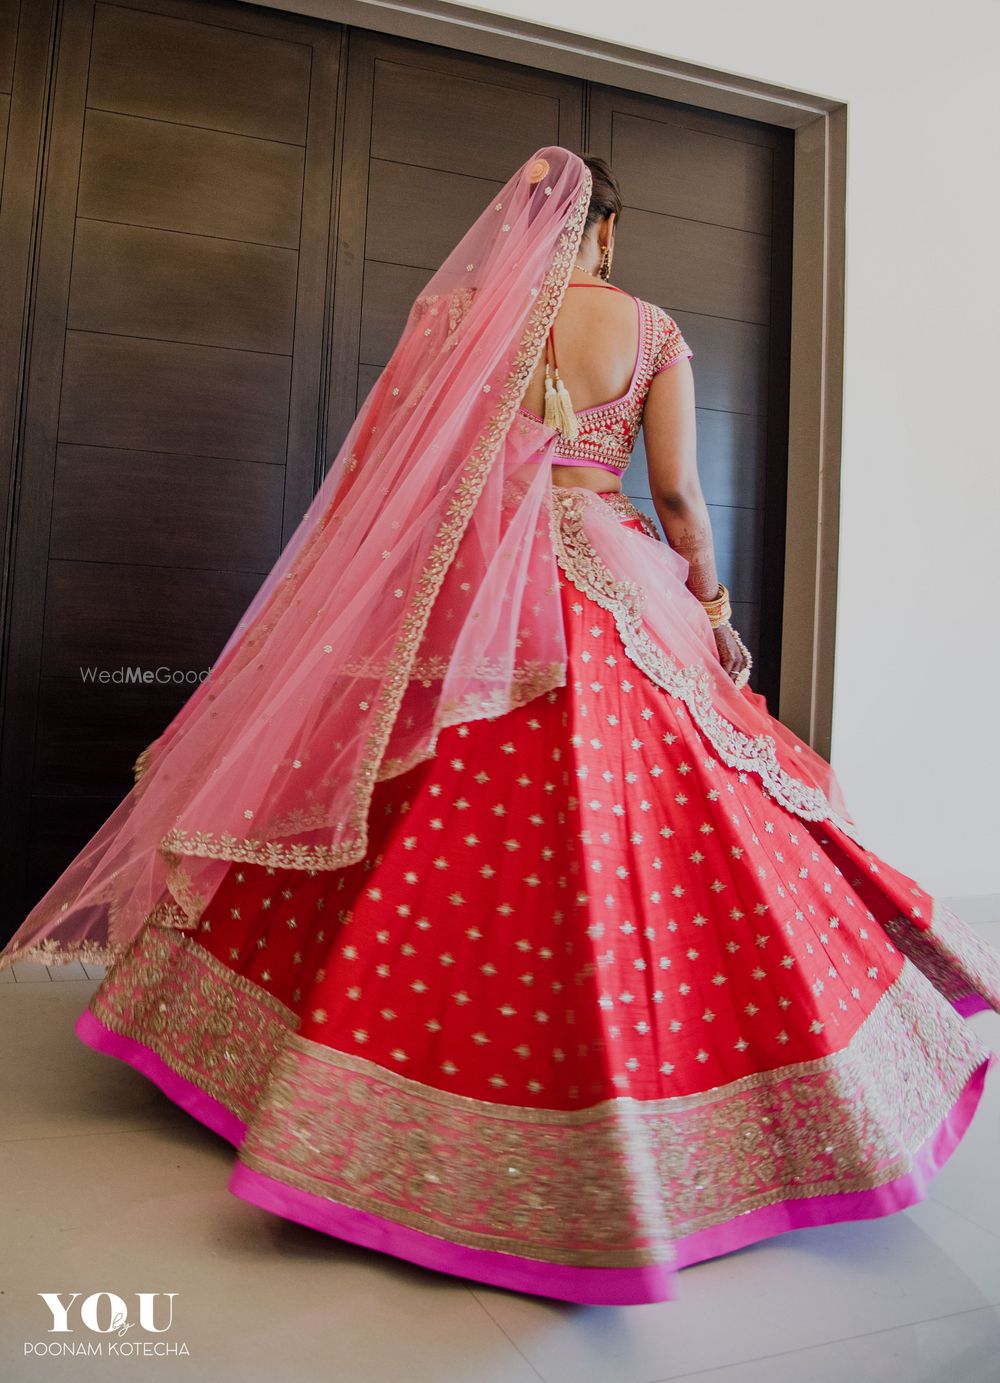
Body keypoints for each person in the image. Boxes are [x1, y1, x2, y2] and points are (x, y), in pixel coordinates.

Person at [1, 147, 998, 1308]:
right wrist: (712, 607)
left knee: (408, 800)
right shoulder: (652, 329)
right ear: (606, 234)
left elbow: (403, 485)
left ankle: (303, 1086)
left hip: (477, 593)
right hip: (612, 577)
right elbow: (676, 495)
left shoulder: (474, 323)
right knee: (686, 812)